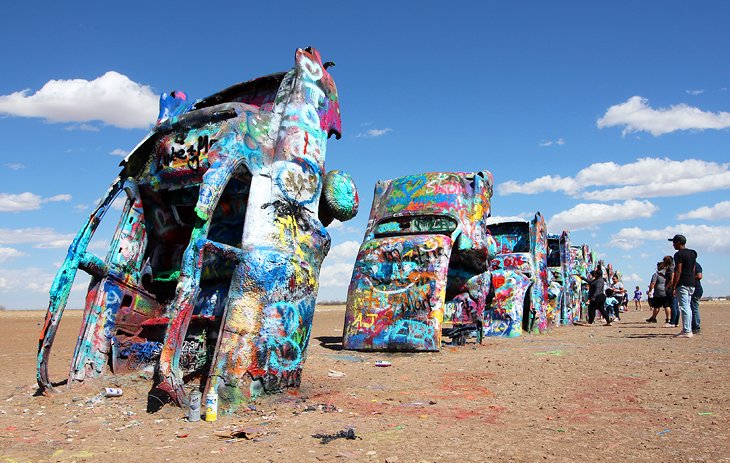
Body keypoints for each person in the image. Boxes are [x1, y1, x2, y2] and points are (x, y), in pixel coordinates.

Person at [668, 234, 697, 338]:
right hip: (691, 282)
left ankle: (687, 330)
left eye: (674, 242)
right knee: (688, 306)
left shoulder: (678, 255)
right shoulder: (693, 253)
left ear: (678, 243)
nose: (673, 245)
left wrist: (674, 286)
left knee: (684, 307)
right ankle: (688, 328)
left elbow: (678, 270)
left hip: (683, 283)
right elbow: (693, 268)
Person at [662, 255, 678, 328]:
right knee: (675, 306)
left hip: (671, 289)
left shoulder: (671, 268)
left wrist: (667, 287)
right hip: (673, 288)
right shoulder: (672, 268)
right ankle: (675, 322)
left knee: (673, 305)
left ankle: (672, 322)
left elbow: (672, 279)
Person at [691, 261, 703, 335]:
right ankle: (693, 326)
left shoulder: (696, 265)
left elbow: (699, 276)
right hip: (694, 289)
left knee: (694, 308)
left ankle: (696, 327)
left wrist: (689, 278)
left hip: (696, 289)